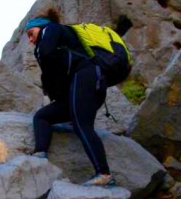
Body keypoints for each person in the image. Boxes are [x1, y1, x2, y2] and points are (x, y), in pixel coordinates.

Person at [24, 15, 115, 187]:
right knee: (42, 116)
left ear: (41, 26)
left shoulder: (51, 29)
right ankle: (40, 155)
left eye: (31, 33)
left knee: (82, 124)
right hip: (81, 86)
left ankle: (104, 174)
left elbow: (46, 53)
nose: (30, 39)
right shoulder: (61, 46)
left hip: (87, 77)